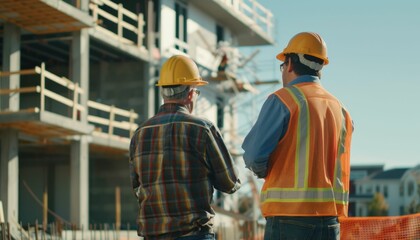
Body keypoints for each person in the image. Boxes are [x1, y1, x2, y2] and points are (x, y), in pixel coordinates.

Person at [242, 32, 354, 239]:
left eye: (282, 66)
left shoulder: (283, 100)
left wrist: (268, 171)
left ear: (290, 63)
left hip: (288, 218)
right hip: (330, 221)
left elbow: (253, 156)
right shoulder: (342, 110)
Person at [129, 55, 241, 240]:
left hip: (153, 235)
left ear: (163, 92)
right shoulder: (202, 129)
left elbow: (137, 188)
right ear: (190, 93)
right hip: (193, 234)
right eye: (197, 92)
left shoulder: (139, 133)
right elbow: (230, 183)